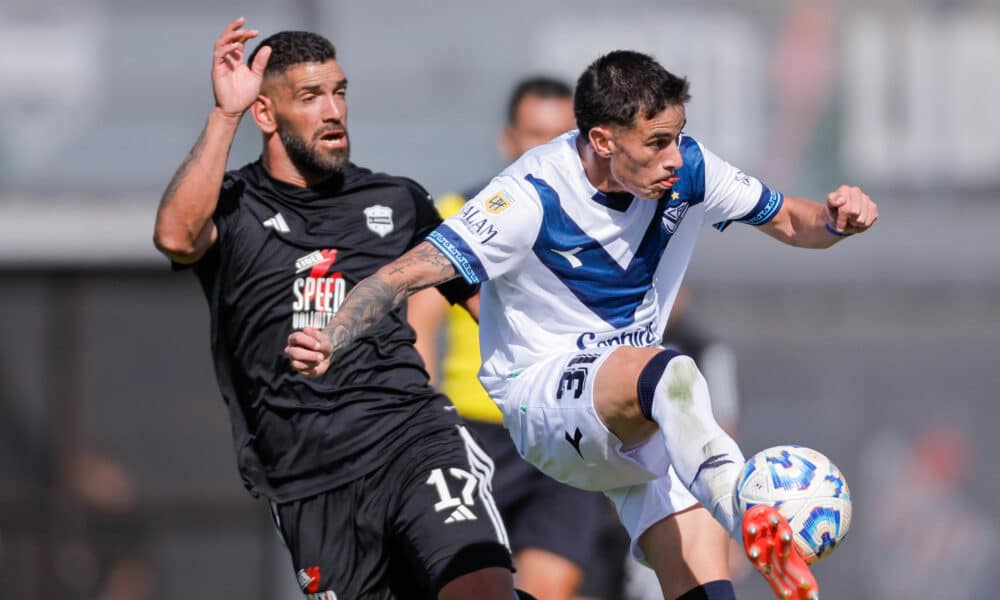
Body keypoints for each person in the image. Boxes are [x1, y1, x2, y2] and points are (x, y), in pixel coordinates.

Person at [286, 50, 878, 600]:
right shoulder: (527, 196)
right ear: (601, 139)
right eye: (656, 142)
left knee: (702, 583)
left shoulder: (688, 168)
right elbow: (401, 276)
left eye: (677, 137)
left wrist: (834, 221)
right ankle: (746, 510)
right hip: (543, 402)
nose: (674, 155)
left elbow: (792, 221)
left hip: (633, 412)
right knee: (669, 372)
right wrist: (331, 335)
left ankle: (738, 513)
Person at [153, 18, 525, 600]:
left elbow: (487, 305)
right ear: (265, 114)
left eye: (340, 92)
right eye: (310, 97)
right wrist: (224, 116)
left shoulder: (397, 200)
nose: (333, 111)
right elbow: (176, 236)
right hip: (307, 482)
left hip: (411, 439)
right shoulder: (233, 207)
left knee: (478, 586)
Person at [408, 76, 619, 600]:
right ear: (509, 140)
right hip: (478, 435)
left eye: (560, 135)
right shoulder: (464, 214)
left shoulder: (601, 227)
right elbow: (420, 325)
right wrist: (420, 430)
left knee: (551, 586)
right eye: (534, 133)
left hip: (561, 429)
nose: (546, 148)